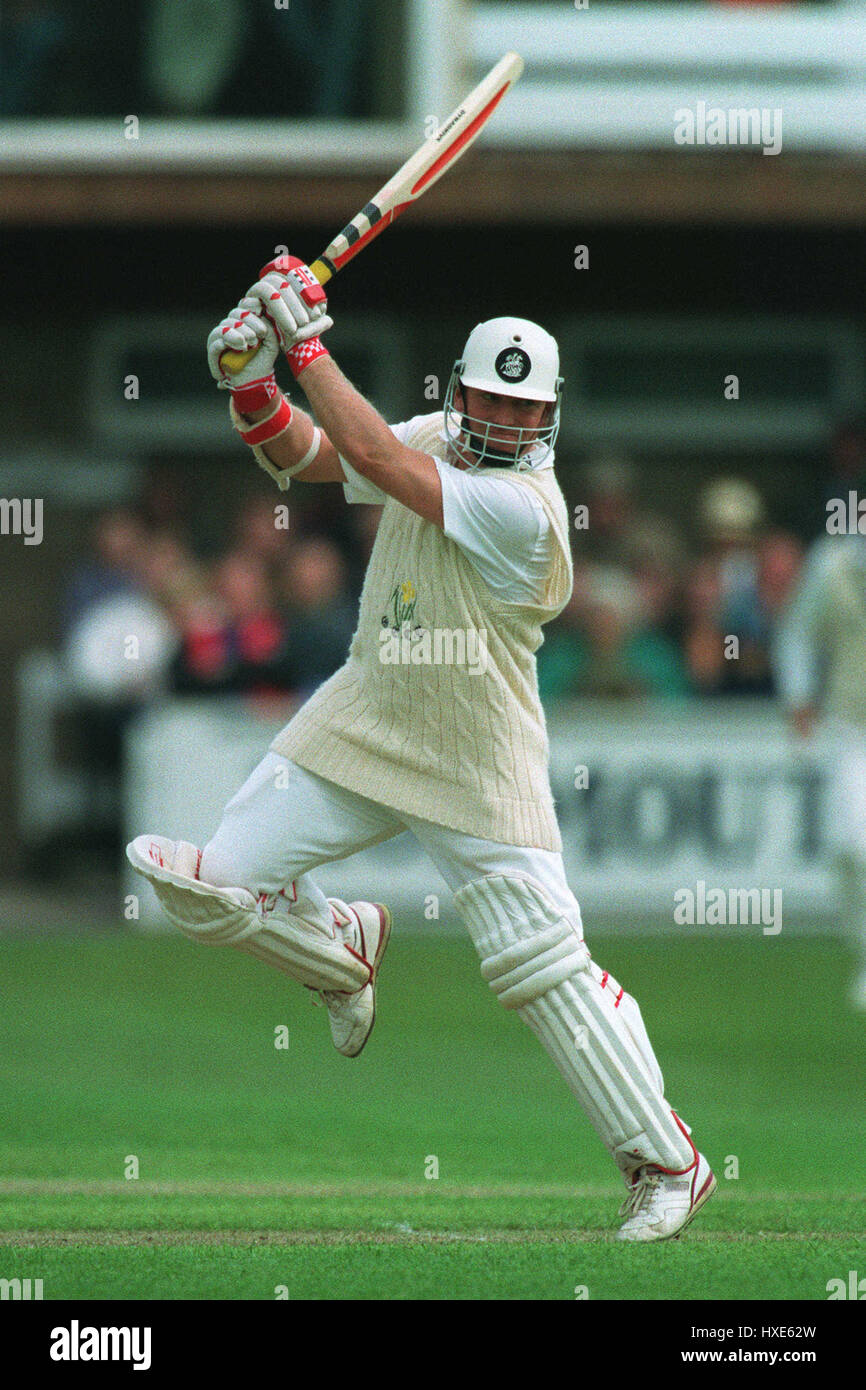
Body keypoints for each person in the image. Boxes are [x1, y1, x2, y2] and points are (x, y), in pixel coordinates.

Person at [128, 255, 715, 1241]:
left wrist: (304, 340)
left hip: (473, 748)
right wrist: (248, 378)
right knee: (212, 888)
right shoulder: (434, 437)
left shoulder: (523, 508)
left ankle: (666, 1162)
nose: (509, 425)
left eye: (528, 412)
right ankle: (341, 951)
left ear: (551, 419)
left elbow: (395, 471)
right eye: (494, 402)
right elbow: (311, 455)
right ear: (457, 392)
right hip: (367, 708)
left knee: (540, 969)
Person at [773, 530, 866, 1009]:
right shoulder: (832, 564)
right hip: (854, 730)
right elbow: (799, 632)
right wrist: (799, 697)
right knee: (854, 848)